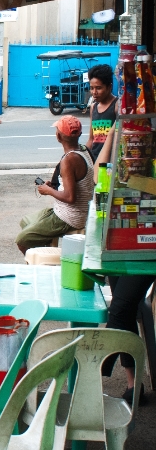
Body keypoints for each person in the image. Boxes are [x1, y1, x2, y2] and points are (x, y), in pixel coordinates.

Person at [94, 128, 149, 404]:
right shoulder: (126, 157)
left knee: (120, 309)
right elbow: (98, 173)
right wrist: (114, 135)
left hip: (147, 246)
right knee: (123, 310)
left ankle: (99, 364)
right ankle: (133, 383)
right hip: (124, 237)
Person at [15, 115, 93, 254]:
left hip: (68, 217)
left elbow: (70, 197)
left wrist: (48, 191)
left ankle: (39, 265)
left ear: (58, 137)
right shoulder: (83, 150)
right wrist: (54, 187)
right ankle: (45, 250)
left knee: (22, 240)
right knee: (26, 221)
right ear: (80, 134)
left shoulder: (69, 159)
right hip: (67, 211)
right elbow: (76, 183)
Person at [86, 63, 116, 161]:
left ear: (109, 87)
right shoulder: (93, 107)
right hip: (96, 160)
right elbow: (91, 139)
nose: (94, 92)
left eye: (98, 88)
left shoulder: (117, 106)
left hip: (111, 161)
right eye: (91, 88)